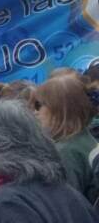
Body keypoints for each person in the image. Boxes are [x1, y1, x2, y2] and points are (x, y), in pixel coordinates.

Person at [31, 74, 99, 203]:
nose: (35, 112)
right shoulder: (84, 138)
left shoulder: (66, 152)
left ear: (59, 109)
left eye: (38, 105)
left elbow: (65, 208)